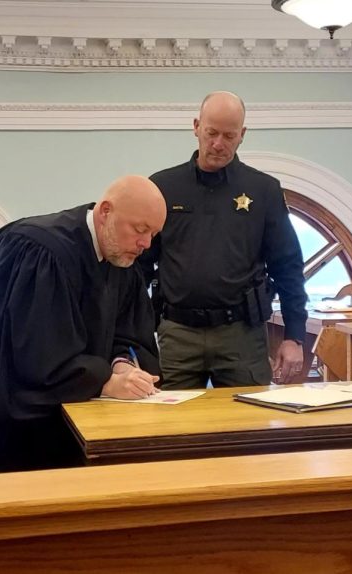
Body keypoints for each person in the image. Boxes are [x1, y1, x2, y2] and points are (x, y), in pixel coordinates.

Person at [0, 175, 167, 479]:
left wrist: (122, 364)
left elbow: (127, 331)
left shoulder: (119, 257)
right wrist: (105, 380)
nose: (146, 244)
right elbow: (35, 359)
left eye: (153, 234)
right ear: (105, 211)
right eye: (140, 229)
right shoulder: (41, 251)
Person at [139, 91, 308, 389]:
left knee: (247, 428)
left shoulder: (264, 190)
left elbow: (288, 266)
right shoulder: (162, 187)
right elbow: (138, 265)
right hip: (178, 334)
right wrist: (131, 336)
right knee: (170, 429)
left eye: (229, 136)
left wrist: (294, 336)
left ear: (242, 134)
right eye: (211, 133)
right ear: (196, 127)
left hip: (241, 336)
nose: (218, 144)